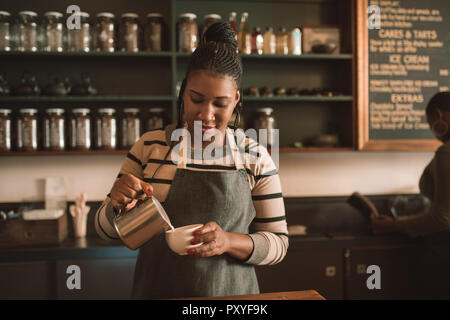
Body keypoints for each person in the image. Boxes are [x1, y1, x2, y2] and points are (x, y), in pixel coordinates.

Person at [94, 22, 288, 299]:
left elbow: (279, 244)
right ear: (183, 92)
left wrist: (228, 241)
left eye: (220, 104)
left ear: (236, 101)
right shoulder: (150, 147)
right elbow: (106, 232)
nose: (206, 115)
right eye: (196, 99)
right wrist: (116, 204)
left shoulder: (254, 155)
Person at [370, 91, 450, 298]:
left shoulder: (446, 153)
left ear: (439, 115)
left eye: (429, 121)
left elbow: (442, 217)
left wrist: (392, 225)